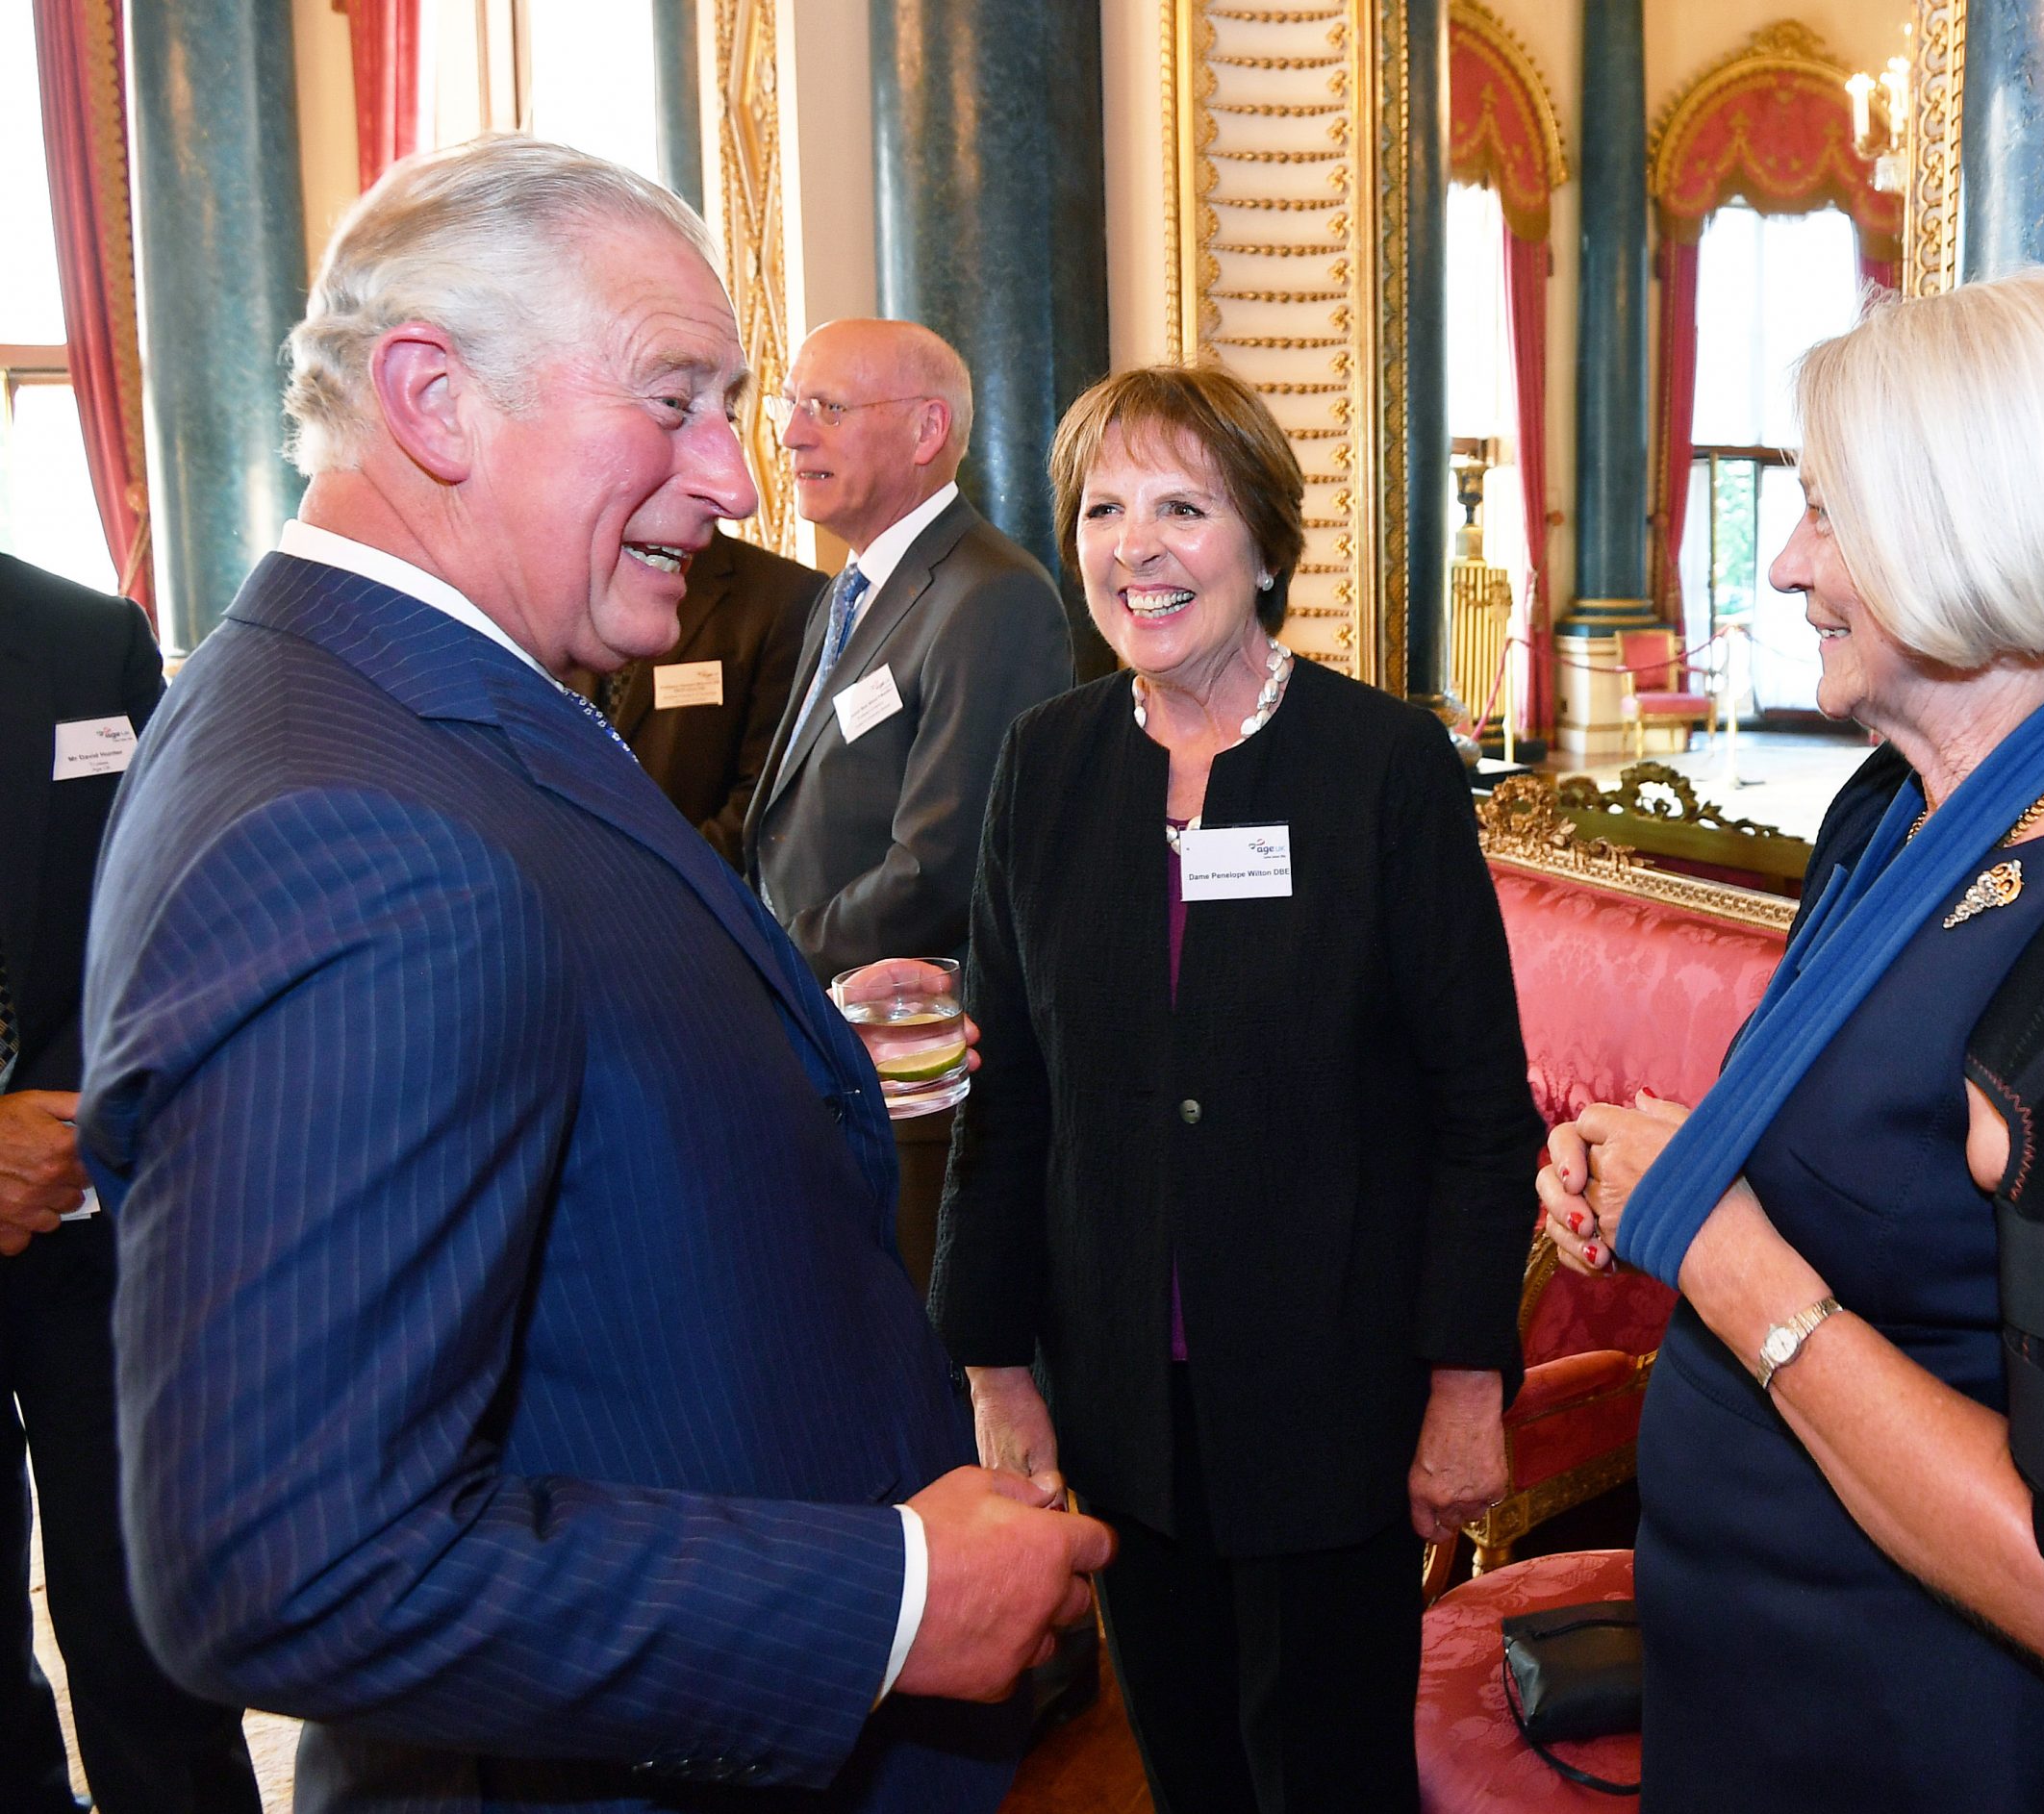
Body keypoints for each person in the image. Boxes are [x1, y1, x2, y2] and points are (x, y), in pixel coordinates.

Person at [76, 135, 1111, 1814]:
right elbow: (294, 1563)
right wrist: (894, 1602)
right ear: (435, 399)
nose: (732, 476)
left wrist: (748, 1050)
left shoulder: (380, 687)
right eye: (676, 397)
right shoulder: (358, 826)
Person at [1539, 267, 2044, 1811]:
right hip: (1753, 1695)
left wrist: (1726, 1253)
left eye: (1828, 514)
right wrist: (1671, 1160)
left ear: (1969, 537)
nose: (1791, 567)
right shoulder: (1896, 812)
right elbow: (1875, 1163)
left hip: (1932, 1749)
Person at [931, 365, 1543, 1814]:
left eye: (1182, 508)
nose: (1135, 547)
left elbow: (1478, 1103)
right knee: (1191, 1768)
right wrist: (995, 1361)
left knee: (1330, 1778)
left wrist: (1467, 1381)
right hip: (1128, 1400)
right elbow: (1007, 1087)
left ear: (1262, 544)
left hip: (1335, 1395)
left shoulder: (1382, 766)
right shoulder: (1047, 762)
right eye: (1104, 508)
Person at [0, 552, 261, 1813]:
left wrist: (67, 1122)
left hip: (97, 1220)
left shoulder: (85, 633)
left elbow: (170, 898)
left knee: (148, 1623)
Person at [743, 316, 1072, 1290]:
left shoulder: (988, 596)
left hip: (913, 1070)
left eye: (826, 408)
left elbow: (942, 866)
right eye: (790, 406)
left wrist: (765, 958)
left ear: (927, 431)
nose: (793, 434)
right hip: (824, 1041)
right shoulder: (848, 589)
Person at [586, 529, 819, 869]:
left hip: (699, 894)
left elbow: (768, 796)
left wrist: (652, 882)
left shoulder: (783, 594)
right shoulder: (573, 582)